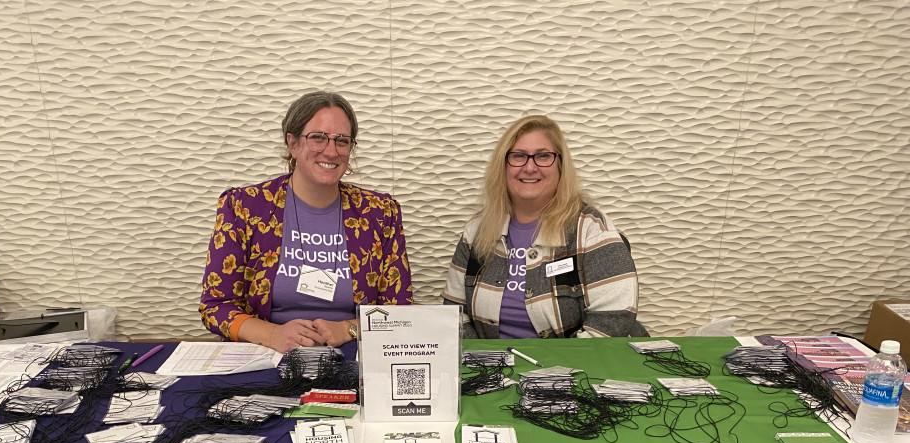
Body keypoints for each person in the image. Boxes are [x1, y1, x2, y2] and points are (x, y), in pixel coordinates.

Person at [200, 91, 413, 351]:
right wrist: (272, 335)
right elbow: (216, 306)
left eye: (342, 141)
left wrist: (349, 329)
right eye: (318, 138)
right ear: (293, 143)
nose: (331, 151)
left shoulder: (380, 213)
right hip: (267, 354)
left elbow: (399, 310)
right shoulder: (244, 207)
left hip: (353, 356)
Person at [442, 115, 647, 339]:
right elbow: (454, 314)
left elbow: (614, 319)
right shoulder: (477, 231)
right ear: (503, 166)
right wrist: (483, 363)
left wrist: (555, 371)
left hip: (576, 368)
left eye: (543, 156)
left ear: (560, 165)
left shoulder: (591, 228)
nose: (530, 167)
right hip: (495, 368)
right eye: (518, 156)